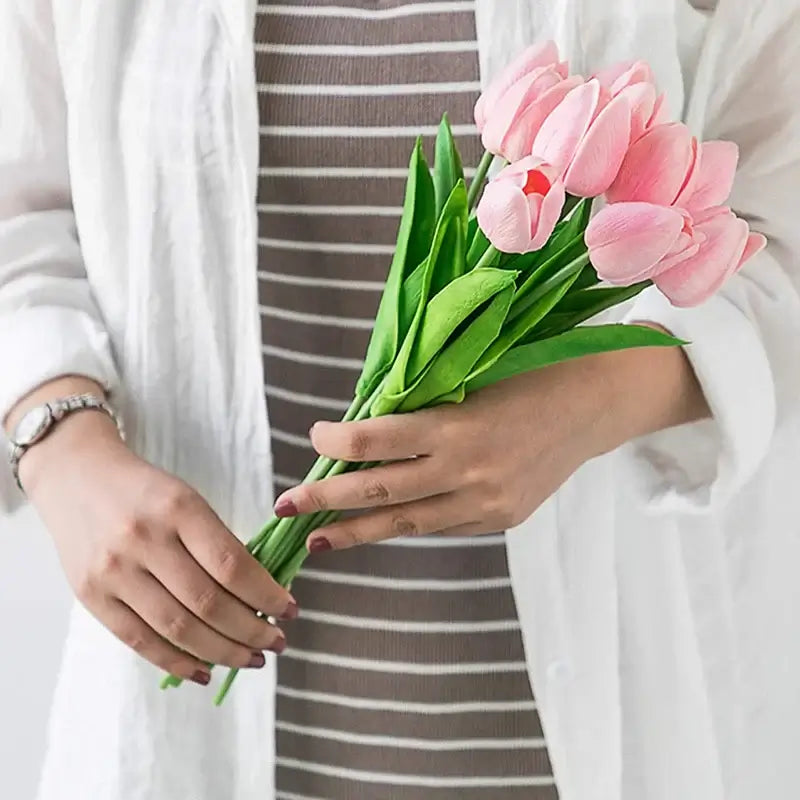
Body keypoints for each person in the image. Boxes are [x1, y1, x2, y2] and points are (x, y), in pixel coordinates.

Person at [1, 0, 799, 798]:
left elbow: (779, 244)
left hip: (605, 728)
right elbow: (20, 216)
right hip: (189, 741)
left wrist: (590, 402)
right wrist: (59, 443)